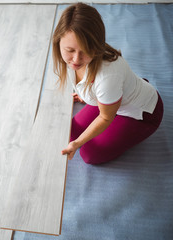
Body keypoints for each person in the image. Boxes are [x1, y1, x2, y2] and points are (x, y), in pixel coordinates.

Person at [52, 3, 164, 164]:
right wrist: (87, 94)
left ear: (96, 46)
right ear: (58, 43)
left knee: (89, 154)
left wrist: (77, 144)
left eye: (84, 51)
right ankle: (112, 97)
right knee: (70, 132)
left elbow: (105, 117)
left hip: (141, 113)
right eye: (70, 50)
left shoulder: (108, 76)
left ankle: (117, 100)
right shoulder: (69, 61)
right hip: (113, 97)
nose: (76, 59)